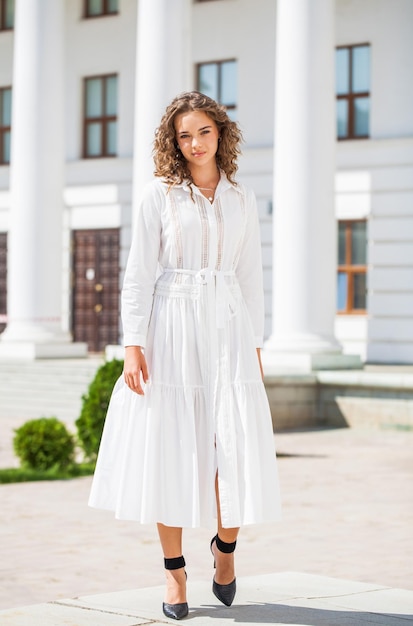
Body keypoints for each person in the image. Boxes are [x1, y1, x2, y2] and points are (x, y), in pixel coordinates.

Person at [89, 91, 281, 620]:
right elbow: (138, 274)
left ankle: (225, 552)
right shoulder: (160, 195)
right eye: (183, 136)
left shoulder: (242, 198)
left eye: (203, 132)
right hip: (171, 328)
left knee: (234, 450)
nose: (194, 144)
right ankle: (174, 575)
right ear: (173, 143)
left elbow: (251, 280)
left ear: (221, 132)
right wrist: (133, 345)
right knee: (170, 450)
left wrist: (256, 347)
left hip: (229, 330)